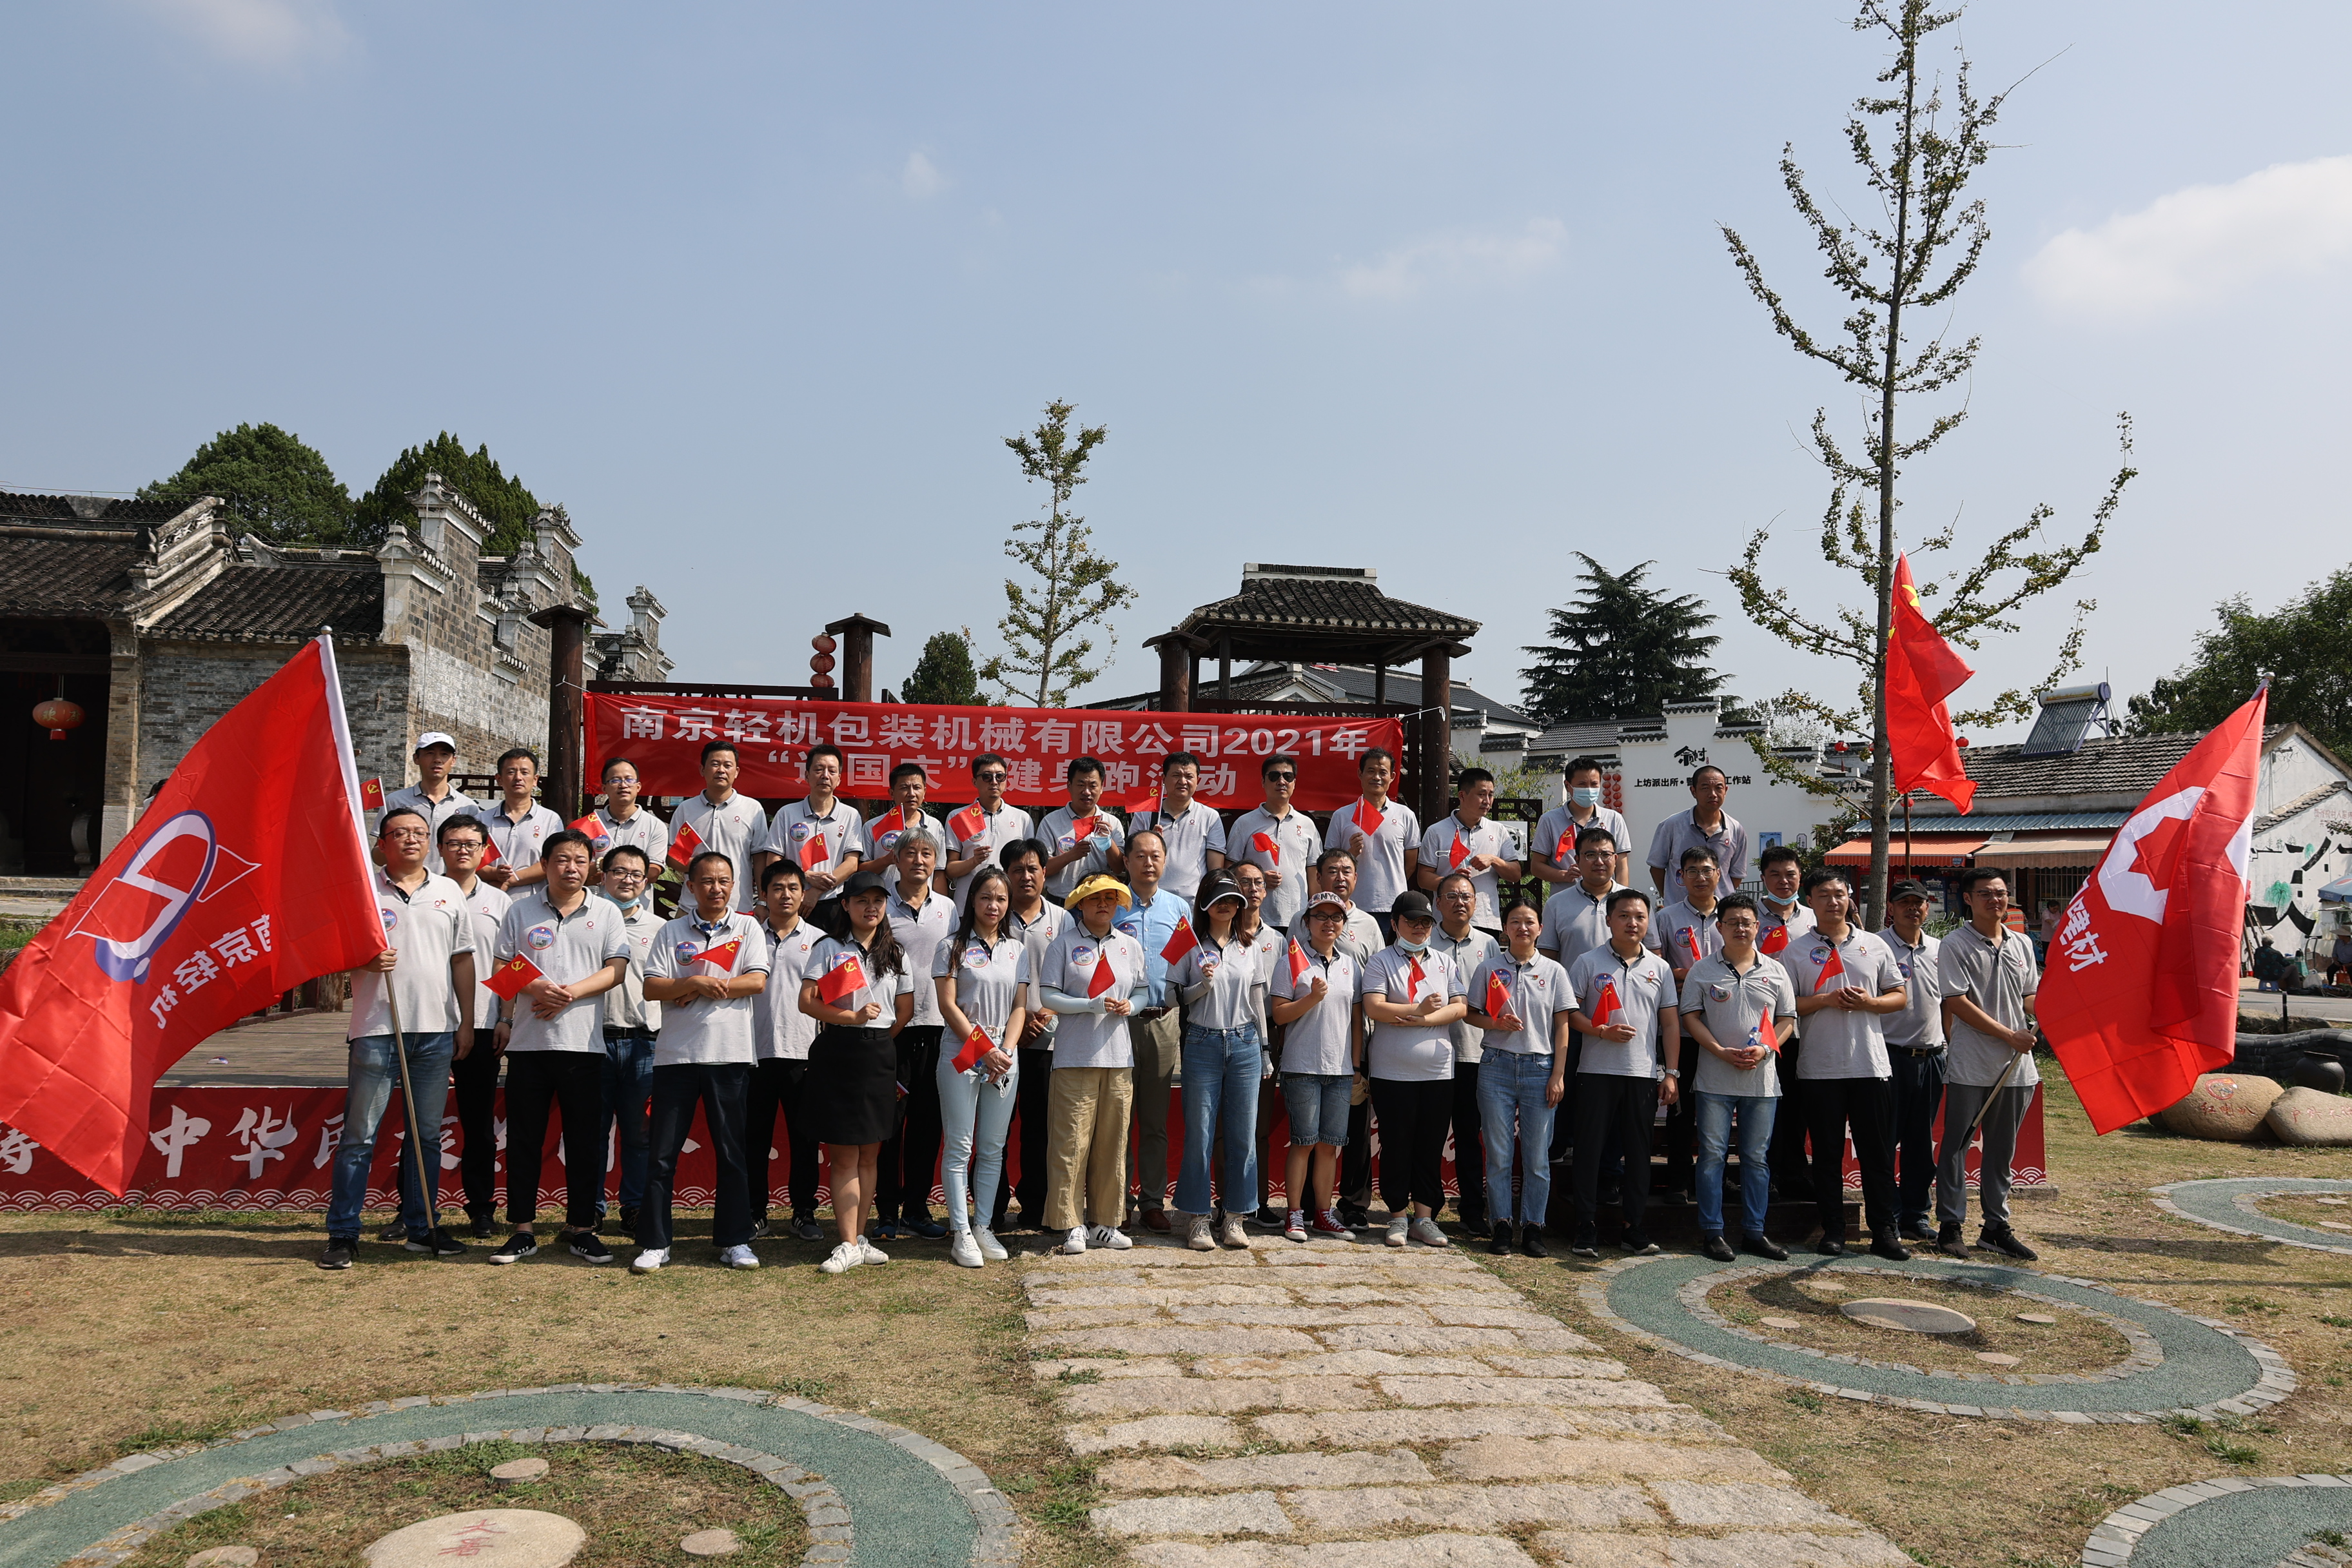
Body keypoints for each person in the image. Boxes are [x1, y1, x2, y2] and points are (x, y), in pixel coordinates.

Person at [318, 807, 476, 1269]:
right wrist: (364, 962)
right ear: (382, 843)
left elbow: (462, 959)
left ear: (430, 842)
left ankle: (421, 1226)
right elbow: (333, 951)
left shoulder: (448, 890)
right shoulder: (365, 891)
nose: (411, 840)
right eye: (400, 833)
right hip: (377, 1030)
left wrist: (466, 1021)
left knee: (426, 1137)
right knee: (359, 1137)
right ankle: (343, 1233)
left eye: (419, 833)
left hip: (435, 1031)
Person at [489, 830, 632, 1265]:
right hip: (529, 1046)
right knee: (524, 1141)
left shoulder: (606, 912)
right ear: (546, 864)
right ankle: (522, 1230)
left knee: (585, 1142)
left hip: (583, 1046)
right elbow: (501, 966)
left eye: (580, 861)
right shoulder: (520, 910)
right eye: (562, 860)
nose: (572, 868)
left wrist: (569, 994)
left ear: (592, 867)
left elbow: (617, 969)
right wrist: (535, 987)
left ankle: (583, 1228)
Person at [634, 850, 770, 1273]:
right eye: (707, 881)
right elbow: (652, 988)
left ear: (734, 885)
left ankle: (735, 1240)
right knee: (662, 1156)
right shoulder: (671, 930)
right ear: (690, 887)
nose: (716, 888)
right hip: (676, 1057)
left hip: (729, 1055)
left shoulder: (747, 927)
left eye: (724, 881)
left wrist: (702, 986)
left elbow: (757, 981)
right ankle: (656, 1242)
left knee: (732, 1153)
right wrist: (690, 981)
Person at [1786, 868, 1910, 1260]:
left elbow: (1899, 996)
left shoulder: (1875, 944)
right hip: (1819, 1068)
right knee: (1826, 1155)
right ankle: (1833, 1229)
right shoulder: (1795, 951)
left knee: (1877, 1154)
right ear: (1810, 901)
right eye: (1823, 895)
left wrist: (1869, 1003)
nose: (1833, 901)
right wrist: (1824, 1000)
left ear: (1850, 898)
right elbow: (1786, 1007)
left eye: (1839, 894)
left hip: (1870, 1065)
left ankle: (1884, 1231)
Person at [800, 868, 916, 1274]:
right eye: (862, 901)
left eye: (878, 901)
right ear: (845, 904)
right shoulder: (828, 947)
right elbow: (807, 1002)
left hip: (879, 1055)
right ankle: (847, 1242)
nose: (871, 908)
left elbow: (904, 1010)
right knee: (845, 1153)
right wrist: (852, 1020)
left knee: (871, 1153)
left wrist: (876, 1035)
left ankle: (860, 1238)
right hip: (837, 1052)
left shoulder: (896, 952)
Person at [1678, 892, 1796, 1262]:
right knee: (1712, 1156)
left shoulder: (1776, 970)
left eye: (1747, 922)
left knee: (1756, 1159)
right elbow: (1690, 1017)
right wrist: (1718, 1051)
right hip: (1714, 1079)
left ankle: (1755, 1232)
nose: (1741, 928)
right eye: (1733, 922)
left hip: (1762, 1081)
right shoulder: (1702, 970)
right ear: (1720, 927)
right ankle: (1713, 1232)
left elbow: (1787, 1020)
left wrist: (1765, 1048)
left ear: (1758, 927)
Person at [1563, 888, 1680, 1258]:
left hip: (1642, 1074)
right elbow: (1570, 1013)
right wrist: (1601, 1032)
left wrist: (1671, 1073)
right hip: (1595, 1071)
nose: (1633, 923)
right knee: (1589, 1151)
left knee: (1639, 1153)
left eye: (1640, 917)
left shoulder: (1660, 968)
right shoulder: (1587, 962)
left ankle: (1634, 1228)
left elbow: (1670, 1024)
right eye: (1625, 916)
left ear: (1649, 922)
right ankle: (1585, 1226)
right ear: (1609, 920)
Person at [1936, 868, 2042, 1261]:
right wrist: (2008, 1035)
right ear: (1968, 899)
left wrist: (2046, 1007)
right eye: (1985, 894)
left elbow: (2029, 994)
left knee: (2002, 1150)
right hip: (1972, 1063)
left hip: (2016, 1066)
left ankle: (1995, 1227)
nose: (1995, 900)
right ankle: (1950, 1224)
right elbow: (1957, 1002)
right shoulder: (1955, 944)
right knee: (1957, 1146)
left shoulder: (2021, 943)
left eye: (2000, 893)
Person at [1041, 874, 1150, 1255]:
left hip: (1119, 1059)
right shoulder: (1063, 944)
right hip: (1074, 1057)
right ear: (1080, 904)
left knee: (1113, 1143)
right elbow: (1048, 995)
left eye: (1110, 898)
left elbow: (1142, 989)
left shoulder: (1130, 946)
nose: (1103, 904)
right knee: (1071, 1143)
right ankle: (1070, 1224)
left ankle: (1106, 1222)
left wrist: (1132, 1005)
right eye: (1095, 899)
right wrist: (1087, 1005)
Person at [1464, 897, 1572, 1259]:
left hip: (1540, 1068)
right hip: (1496, 1065)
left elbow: (1563, 1026)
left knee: (1537, 1156)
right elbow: (1471, 1014)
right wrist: (1495, 1024)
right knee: (1499, 1153)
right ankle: (1501, 1224)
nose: (1522, 928)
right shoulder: (1489, 968)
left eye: (1529, 922)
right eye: (1515, 921)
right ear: (1504, 928)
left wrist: (1558, 1074)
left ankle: (1533, 1227)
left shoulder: (1555, 971)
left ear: (1540, 928)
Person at [1360, 890, 1466, 1246]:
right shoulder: (1380, 961)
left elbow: (1460, 1007)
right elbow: (1374, 1007)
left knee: (1430, 1144)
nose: (1419, 928)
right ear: (1394, 924)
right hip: (1392, 1071)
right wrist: (1416, 1010)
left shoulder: (1444, 961)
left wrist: (1424, 1020)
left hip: (1437, 1071)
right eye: (1411, 921)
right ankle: (1396, 1216)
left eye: (1425, 922)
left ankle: (1424, 1217)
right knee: (1396, 1143)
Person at [934, 865, 1028, 1268]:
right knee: (960, 1146)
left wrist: (1004, 1051)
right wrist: (984, 1049)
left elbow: (1020, 1006)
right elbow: (947, 1005)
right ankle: (961, 1232)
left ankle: (984, 1226)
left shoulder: (1017, 949)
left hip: (1004, 1056)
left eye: (1001, 898)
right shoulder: (950, 946)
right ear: (971, 899)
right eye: (986, 897)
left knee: (992, 1147)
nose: (994, 905)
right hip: (963, 1052)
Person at [1167, 870, 1264, 1250]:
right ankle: (1198, 1218)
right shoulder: (1187, 941)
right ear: (1205, 903)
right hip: (1202, 1042)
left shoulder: (1250, 945)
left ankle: (1236, 1217)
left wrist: (1265, 1050)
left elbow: (1257, 1001)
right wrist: (1201, 986)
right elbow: (1172, 996)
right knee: (1200, 1135)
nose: (1225, 905)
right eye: (1218, 899)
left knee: (1243, 1136)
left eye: (1231, 899)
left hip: (1245, 1043)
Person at [1268, 892, 1363, 1240]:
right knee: (1304, 1142)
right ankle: (1295, 1213)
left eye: (1335, 917)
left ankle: (1324, 1214)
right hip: (1302, 1065)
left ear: (1343, 924)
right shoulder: (1291, 961)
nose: (1328, 923)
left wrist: (1355, 1065)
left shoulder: (1350, 965)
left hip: (1340, 1069)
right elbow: (1279, 1015)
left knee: (1328, 1145)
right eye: (1320, 916)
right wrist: (1311, 997)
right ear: (1306, 923)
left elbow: (1356, 1019)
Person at [878, 829, 956, 1239]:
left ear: (936, 861)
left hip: (939, 1028)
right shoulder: (881, 905)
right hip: (893, 1030)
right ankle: (886, 1212)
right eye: (911, 853)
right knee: (889, 1125)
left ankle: (917, 1209)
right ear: (896, 859)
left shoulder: (948, 908)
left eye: (927, 853)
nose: (919, 861)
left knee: (928, 1124)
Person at [436, 814, 510, 1238]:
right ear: (440, 849)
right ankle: (413, 1208)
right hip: (429, 1024)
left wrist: (505, 1017)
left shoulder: (500, 903)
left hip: (482, 1023)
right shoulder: (427, 895)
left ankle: (481, 1207)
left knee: (479, 1124)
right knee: (421, 1123)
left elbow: (508, 965)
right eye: (453, 843)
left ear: (484, 851)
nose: (462, 850)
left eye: (471, 844)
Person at [1112, 828, 1190, 1232]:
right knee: (1119, 1118)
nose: (1148, 862)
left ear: (1165, 861)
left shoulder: (1179, 908)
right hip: (1118, 1023)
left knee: (1155, 1121)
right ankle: (1118, 1202)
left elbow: (1190, 961)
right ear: (1126, 861)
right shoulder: (1112, 904)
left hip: (1164, 1020)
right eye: (1140, 856)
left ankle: (1154, 1202)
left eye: (1155, 855)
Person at [1536, 827, 1624, 1172]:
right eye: (1590, 854)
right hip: (1571, 1012)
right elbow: (1547, 959)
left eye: (1605, 854)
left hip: (1620, 1015)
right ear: (1577, 859)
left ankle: (1609, 1165)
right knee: (1567, 1082)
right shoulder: (1558, 903)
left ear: (1616, 859)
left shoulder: (1631, 901)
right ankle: (1561, 1147)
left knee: (1612, 1092)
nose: (1599, 861)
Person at [749, 859, 827, 1242]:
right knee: (753, 1139)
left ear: (803, 893)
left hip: (804, 1054)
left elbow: (833, 999)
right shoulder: (748, 935)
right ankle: (754, 1212)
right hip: (753, 1053)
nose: (785, 895)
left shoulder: (822, 940)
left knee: (805, 1139)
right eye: (777, 888)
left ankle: (804, 1211)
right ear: (764, 893)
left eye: (793, 888)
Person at [1645, 847, 1724, 1207]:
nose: (1700, 877)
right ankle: (1679, 1179)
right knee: (1681, 1110)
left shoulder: (1733, 915)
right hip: (1683, 1031)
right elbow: (1657, 969)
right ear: (1680, 877)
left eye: (1706, 870)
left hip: (1725, 1030)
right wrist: (1692, 974)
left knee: (1718, 1109)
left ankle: (1716, 1181)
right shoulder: (1666, 918)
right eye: (1691, 871)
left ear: (1719, 874)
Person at [996, 838, 1067, 1233]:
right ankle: (991, 1208)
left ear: (1044, 872)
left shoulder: (1064, 919)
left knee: (1041, 1129)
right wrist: (1015, 1026)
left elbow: (1075, 977)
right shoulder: (993, 914)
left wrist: (1045, 1015)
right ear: (1006, 875)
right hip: (999, 1043)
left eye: (1033, 868)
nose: (1026, 876)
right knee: (996, 1128)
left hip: (1048, 1039)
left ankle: (1036, 1207)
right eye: (1017, 870)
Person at [596, 844, 663, 1237]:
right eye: (619, 872)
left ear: (646, 881)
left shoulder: (659, 928)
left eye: (636, 874)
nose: (628, 880)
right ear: (603, 876)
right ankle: (589, 1210)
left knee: (640, 1135)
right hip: (594, 1039)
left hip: (643, 1041)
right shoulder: (588, 919)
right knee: (593, 1132)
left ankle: (634, 1207)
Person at [1316, 847, 1384, 1224]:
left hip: (1359, 1037)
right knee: (1312, 1127)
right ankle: (1311, 1202)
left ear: (1357, 878)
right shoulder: (1303, 919)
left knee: (1357, 1125)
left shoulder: (1370, 925)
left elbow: (1379, 978)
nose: (1340, 877)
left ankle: (1355, 1203)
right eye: (1332, 871)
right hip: (1315, 1035)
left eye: (1347, 871)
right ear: (1318, 877)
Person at [1429, 870, 1496, 1237]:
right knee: (1430, 1135)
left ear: (1476, 902)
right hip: (1432, 1056)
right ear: (1438, 902)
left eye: (1466, 896)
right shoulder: (1424, 940)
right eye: (1451, 896)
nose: (1460, 902)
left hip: (1475, 1053)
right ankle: (1426, 1209)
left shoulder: (1490, 944)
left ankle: (1472, 1210)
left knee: (1470, 1137)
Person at [1879, 878, 1946, 1242]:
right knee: (1885, 1141)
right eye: (1904, 903)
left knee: (1921, 1144)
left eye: (1918, 903)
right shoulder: (1876, 947)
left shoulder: (1940, 949)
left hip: (1932, 1057)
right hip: (1890, 1056)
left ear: (1927, 907)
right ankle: (1887, 1215)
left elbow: (1949, 1002)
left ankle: (1916, 1215)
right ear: (1891, 908)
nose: (1912, 909)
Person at [1227, 858, 1289, 1228]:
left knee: (1258, 1125)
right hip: (1225, 1030)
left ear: (1266, 891)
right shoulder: (1221, 932)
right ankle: (1224, 1201)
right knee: (1225, 1126)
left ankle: (1257, 1200)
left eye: (1258, 883)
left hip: (1266, 1035)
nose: (1252, 889)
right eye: (1244, 882)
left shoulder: (1278, 940)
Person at [1756, 843, 1818, 1199]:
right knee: (1764, 1103)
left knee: (1796, 1104)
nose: (1783, 881)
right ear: (1763, 878)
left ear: (1800, 877)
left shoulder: (1814, 919)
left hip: (1803, 1027)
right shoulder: (1749, 917)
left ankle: (1792, 1172)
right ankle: (1762, 1173)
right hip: (1760, 1026)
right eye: (1775, 875)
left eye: (1790, 874)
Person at [1326, 747, 1420, 940]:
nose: (1376, 777)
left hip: (1393, 906)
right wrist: (1350, 854)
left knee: (1391, 957)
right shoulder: (1342, 816)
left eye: (1383, 772)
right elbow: (1329, 863)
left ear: (1392, 777)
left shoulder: (1405, 815)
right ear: (1360, 774)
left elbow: (1410, 863)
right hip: (1352, 906)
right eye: (1371, 771)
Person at [761, 743, 866, 915]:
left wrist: (816, 892)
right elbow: (773, 861)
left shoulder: (850, 815)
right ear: (807, 775)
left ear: (839, 779)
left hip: (835, 904)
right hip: (793, 902)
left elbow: (852, 864)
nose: (825, 775)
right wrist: (805, 876)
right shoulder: (787, 813)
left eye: (832, 771)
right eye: (819, 770)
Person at [1417, 767, 1519, 936]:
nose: (1487, 801)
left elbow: (1515, 874)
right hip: (1446, 921)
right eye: (1481, 794)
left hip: (1486, 920)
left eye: (1491, 795)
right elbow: (1423, 878)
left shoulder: (1498, 830)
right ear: (1462, 796)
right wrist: (1451, 881)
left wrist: (1494, 860)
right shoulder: (1437, 831)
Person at [674, 741, 770, 914]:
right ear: (702, 770)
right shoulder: (686, 810)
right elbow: (673, 858)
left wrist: (763, 902)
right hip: (691, 907)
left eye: (727, 765)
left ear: (737, 772)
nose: (721, 770)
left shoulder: (752, 809)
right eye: (715, 764)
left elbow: (759, 859)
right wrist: (703, 868)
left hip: (738, 908)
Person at [1229, 754, 1322, 932]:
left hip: (1298, 919)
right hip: (1254, 919)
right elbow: (1230, 869)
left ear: (1294, 783)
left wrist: (1315, 914)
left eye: (1288, 776)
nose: (1281, 781)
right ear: (1263, 782)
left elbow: (1314, 875)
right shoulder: (1244, 823)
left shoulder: (1307, 825)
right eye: (1274, 776)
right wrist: (1259, 879)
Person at [1129, 751, 1228, 905]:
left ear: (1198, 780)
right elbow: (1131, 858)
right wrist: (1147, 841)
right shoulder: (1145, 815)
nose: (1183, 781)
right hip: (1150, 902)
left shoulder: (1210, 817)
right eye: (1176, 775)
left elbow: (1215, 870)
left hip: (1194, 905)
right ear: (1164, 779)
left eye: (1189, 776)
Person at [379, 732, 484, 876]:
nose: (437, 760)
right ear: (416, 758)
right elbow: (377, 856)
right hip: (403, 882)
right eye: (430, 753)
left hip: (451, 884)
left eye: (444, 754)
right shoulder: (395, 801)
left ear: (453, 760)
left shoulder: (468, 807)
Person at [943, 752, 1034, 909]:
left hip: (1009, 904)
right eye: (987, 777)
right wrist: (974, 861)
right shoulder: (959, 817)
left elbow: (1029, 865)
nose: (994, 782)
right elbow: (950, 870)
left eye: (1000, 776)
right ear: (974, 782)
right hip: (969, 905)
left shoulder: (1022, 818)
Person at [1646, 765, 1749, 895]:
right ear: (1693, 791)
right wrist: (1671, 898)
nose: (1713, 794)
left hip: (1721, 907)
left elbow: (1736, 875)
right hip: (1680, 905)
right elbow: (1657, 868)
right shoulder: (1672, 826)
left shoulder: (1736, 830)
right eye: (1705, 788)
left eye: (1719, 788)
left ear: (1726, 790)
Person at [1531, 756, 1631, 889]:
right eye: (1582, 784)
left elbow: (1622, 866)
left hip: (1606, 898)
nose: (1589, 789)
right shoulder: (1550, 820)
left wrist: (1620, 897)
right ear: (1568, 786)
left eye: (1594, 784)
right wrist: (1564, 875)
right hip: (1565, 897)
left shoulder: (1614, 819)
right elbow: (1537, 866)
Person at [1039, 756, 1128, 903]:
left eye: (1093, 786)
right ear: (1069, 786)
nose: (1087, 792)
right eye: (1081, 785)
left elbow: (1119, 868)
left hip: (1098, 902)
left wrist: (1108, 842)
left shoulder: (1112, 823)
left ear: (1101, 788)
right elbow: (1042, 868)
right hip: (1060, 902)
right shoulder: (1050, 822)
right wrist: (1070, 855)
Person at [482, 747, 564, 892]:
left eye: (525, 772)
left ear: (535, 780)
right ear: (499, 779)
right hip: (491, 898)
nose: (518, 777)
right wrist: (495, 874)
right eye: (511, 772)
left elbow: (554, 861)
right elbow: (471, 860)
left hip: (535, 900)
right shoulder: (482, 820)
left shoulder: (550, 820)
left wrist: (511, 880)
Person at [588, 756, 670, 877]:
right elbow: (577, 871)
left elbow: (653, 872)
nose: (623, 785)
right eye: (615, 780)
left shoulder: (655, 826)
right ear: (604, 788)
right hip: (597, 890)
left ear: (638, 787)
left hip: (637, 890)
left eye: (629, 780)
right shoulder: (588, 825)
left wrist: (607, 869)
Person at [867, 762, 936, 884]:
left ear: (924, 792)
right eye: (904, 788)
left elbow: (939, 871)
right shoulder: (873, 826)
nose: (912, 794)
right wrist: (887, 860)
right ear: (892, 793)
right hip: (884, 895)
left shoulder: (935, 825)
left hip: (922, 895)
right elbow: (861, 870)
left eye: (917, 788)